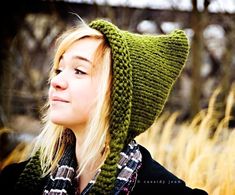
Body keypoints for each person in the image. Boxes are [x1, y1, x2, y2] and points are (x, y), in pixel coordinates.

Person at [0, 18, 208, 195]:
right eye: (59, 69)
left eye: (79, 71)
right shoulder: (16, 181)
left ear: (122, 96)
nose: (56, 81)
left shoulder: (164, 190)